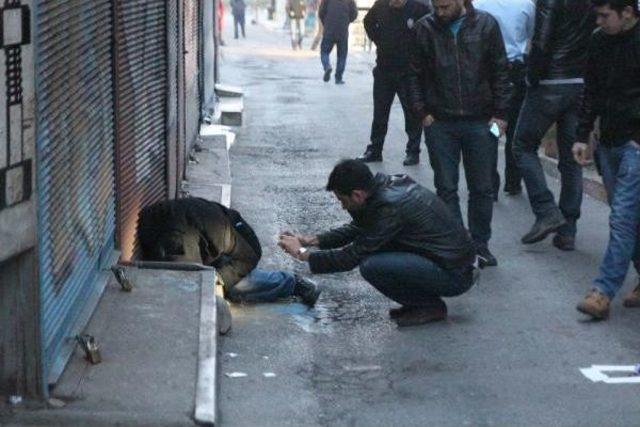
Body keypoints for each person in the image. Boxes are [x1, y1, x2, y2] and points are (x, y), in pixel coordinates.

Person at [278, 160, 478, 327]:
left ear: (357, 194)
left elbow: (351, 257)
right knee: (377, 254)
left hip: (455, 274)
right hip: (450, 263)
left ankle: (429, 306)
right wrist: (311, 240)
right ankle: (420, 304)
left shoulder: (389, 206)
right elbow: (360, 228)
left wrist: (302, 253)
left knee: (371, 265)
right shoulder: (384, 190)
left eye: (343, 200)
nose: (342, 206)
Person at [408, 0, 511, 267]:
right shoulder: (424, 28)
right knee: (446, 187)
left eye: (444, 7)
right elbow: (413, 74)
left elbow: (500, 69)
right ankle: (458, 248)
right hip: (439, 122)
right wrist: (423, 114)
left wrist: (500, 115)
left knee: (482, 187)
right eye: (436, 6)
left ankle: (480, 245)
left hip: (482, 121)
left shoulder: (486, 24)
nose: (439, 12)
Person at [573, 0, 640, 320]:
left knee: (623, 218)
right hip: (608, 143)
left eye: (605, 15)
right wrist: (581, 134)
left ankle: (602, 291)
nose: (599, 21)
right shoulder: (599, 40)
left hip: (635, 147)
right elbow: (592, 91)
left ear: (627, 12)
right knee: (627, 217)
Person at [512, 0, 595, 251]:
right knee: (572, 157)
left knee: (522, 146)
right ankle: (568, 229)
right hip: (580, 81)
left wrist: (531, 76)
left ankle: (546, 209)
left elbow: (542, 39)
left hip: (550, 81)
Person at [137, 197, 321, 306]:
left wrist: (219, 283)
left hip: (221, 236)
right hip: (196, 228)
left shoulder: (244, 249)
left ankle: (292, 283)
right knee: (206, 284)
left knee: (233, 288)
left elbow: (190, 287)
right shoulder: (174, 235)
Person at [357, 0, 431, 166]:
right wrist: (379, 40)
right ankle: (375, 149)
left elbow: (430, 31)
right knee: (380, 113)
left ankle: (413, 152)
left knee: (412, 113)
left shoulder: (419, 9)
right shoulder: (381, 5)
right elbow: (367, 22)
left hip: (409, 73)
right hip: (384, 69)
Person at [473, 0, 535, 197]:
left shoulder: (479, 4)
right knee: (515, 130)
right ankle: (513, 181)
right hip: (516, 72)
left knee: (492, 129)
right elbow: (531, 36)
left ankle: (491, 182)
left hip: (489, 73)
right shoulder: (526, 5)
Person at [318, 0, 358, 84]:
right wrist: (347, 21)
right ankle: (338, 78)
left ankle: (327, 66)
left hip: (329, 28)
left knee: (324, 51)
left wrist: (325, 23)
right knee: (342, 55)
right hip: (342, 30)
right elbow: (354, 13)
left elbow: (321, 12)